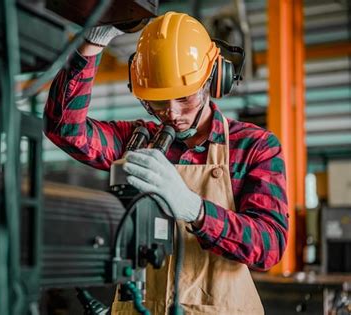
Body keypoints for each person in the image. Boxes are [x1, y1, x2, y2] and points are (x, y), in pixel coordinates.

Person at [44, 11, 288, 315]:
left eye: (184, 98)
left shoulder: (254, 147)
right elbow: (65, 128)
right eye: (158, 102)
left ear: (214, 81)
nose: (171, 113)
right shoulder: (136, 140)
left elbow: (269, 245)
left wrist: (196, 211)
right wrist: (90, 46)